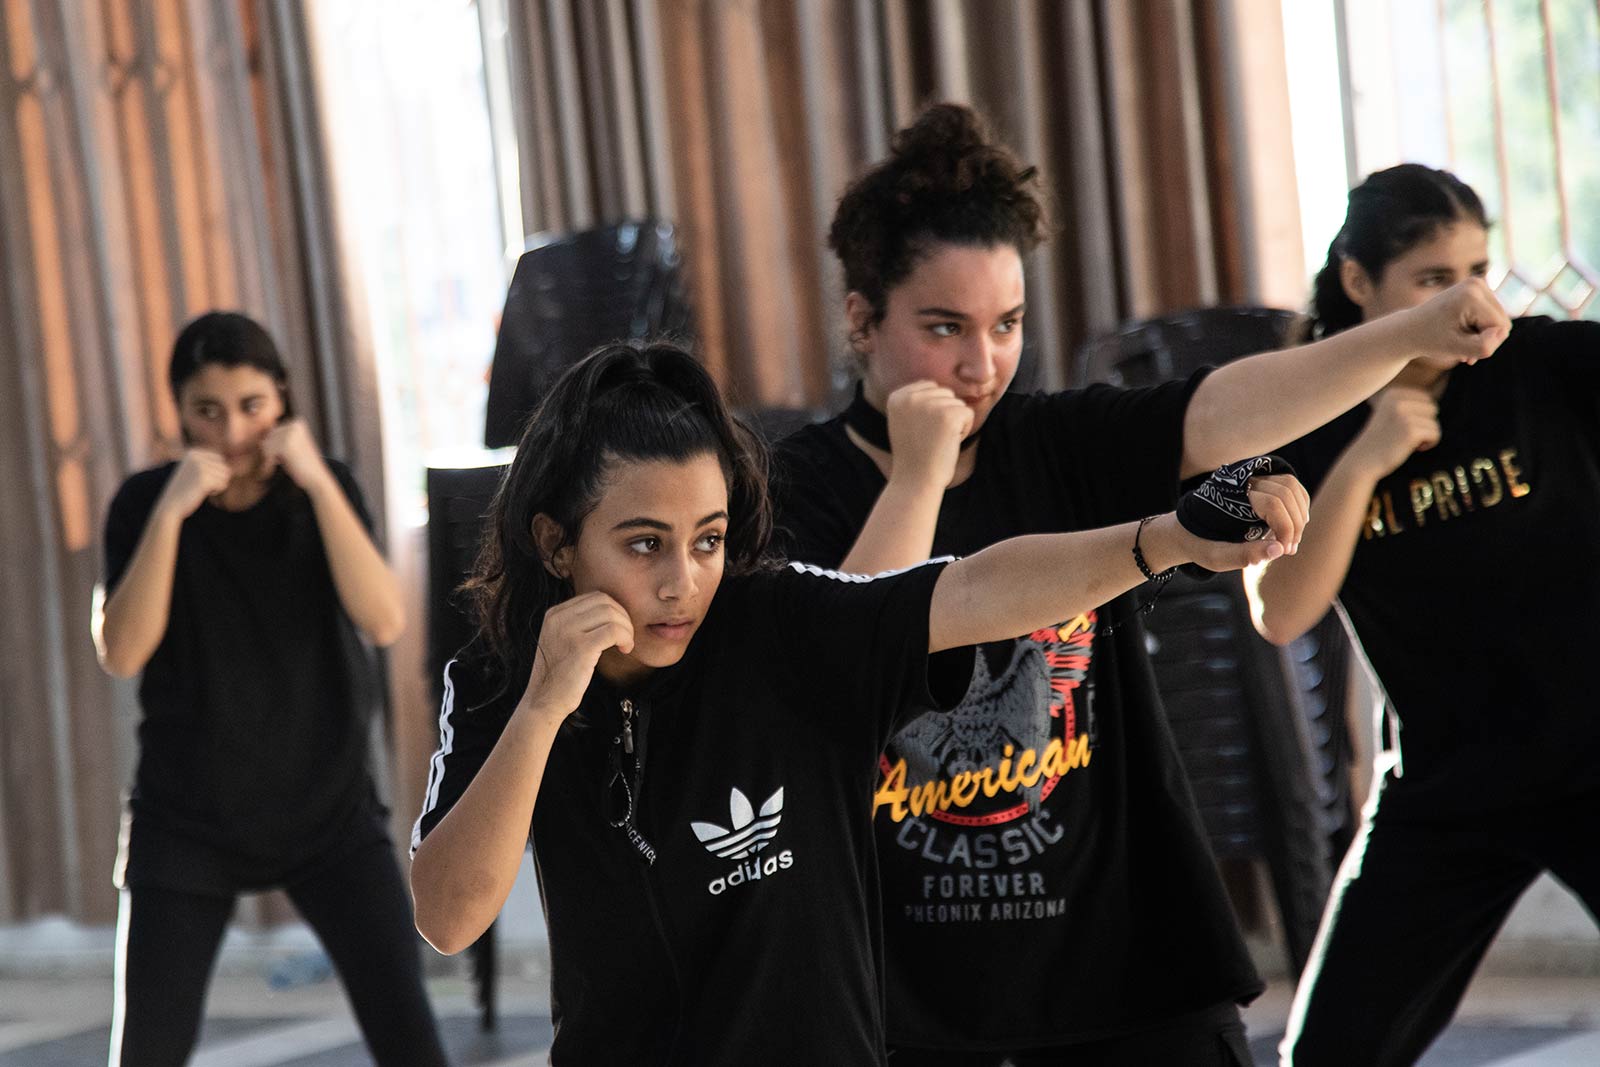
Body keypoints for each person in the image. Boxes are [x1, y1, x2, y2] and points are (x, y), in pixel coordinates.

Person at [767, 105, 1510, 1065]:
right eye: (944, 328)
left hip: (1126, 965)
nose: (981, 363)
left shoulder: (1057, 442)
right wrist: (917, 474)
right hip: (907, 991)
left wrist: (1408, 333)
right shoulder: (798, 485)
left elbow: (1230, 406)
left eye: (1008, 325)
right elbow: (849, 656)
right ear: (863, 320)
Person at [407, 339, 1309, 1065]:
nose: (684, 582)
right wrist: (540, 711)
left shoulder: (778, 627)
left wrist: (1169, 537)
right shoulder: (497, 676)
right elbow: (448, 917)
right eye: (644, 545)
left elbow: (975, 589)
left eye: (709, 539)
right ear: (557, 543)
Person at [1242, 163, 1600, 1067]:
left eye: (1479, 272)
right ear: (1360, 283)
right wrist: (1364, 461)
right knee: (1325, 1056)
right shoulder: (1307, 419)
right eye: (1435, 281)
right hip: (1448, 790)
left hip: (1596, 758)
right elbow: (1281, 613)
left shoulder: (1537, 366)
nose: (1470, 304)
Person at [93, 312, 448, 1067]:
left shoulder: (323, 489)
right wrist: (170, 513)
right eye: (207, 412)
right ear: (178, 413)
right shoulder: (142, 504)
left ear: (281, 400)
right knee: (144, 1055)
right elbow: (121, 651)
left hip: (329, 810)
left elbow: (384, 619)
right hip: (185, 819)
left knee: (412, 1043)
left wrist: (318, 480)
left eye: (252, 406)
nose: (231, 433)